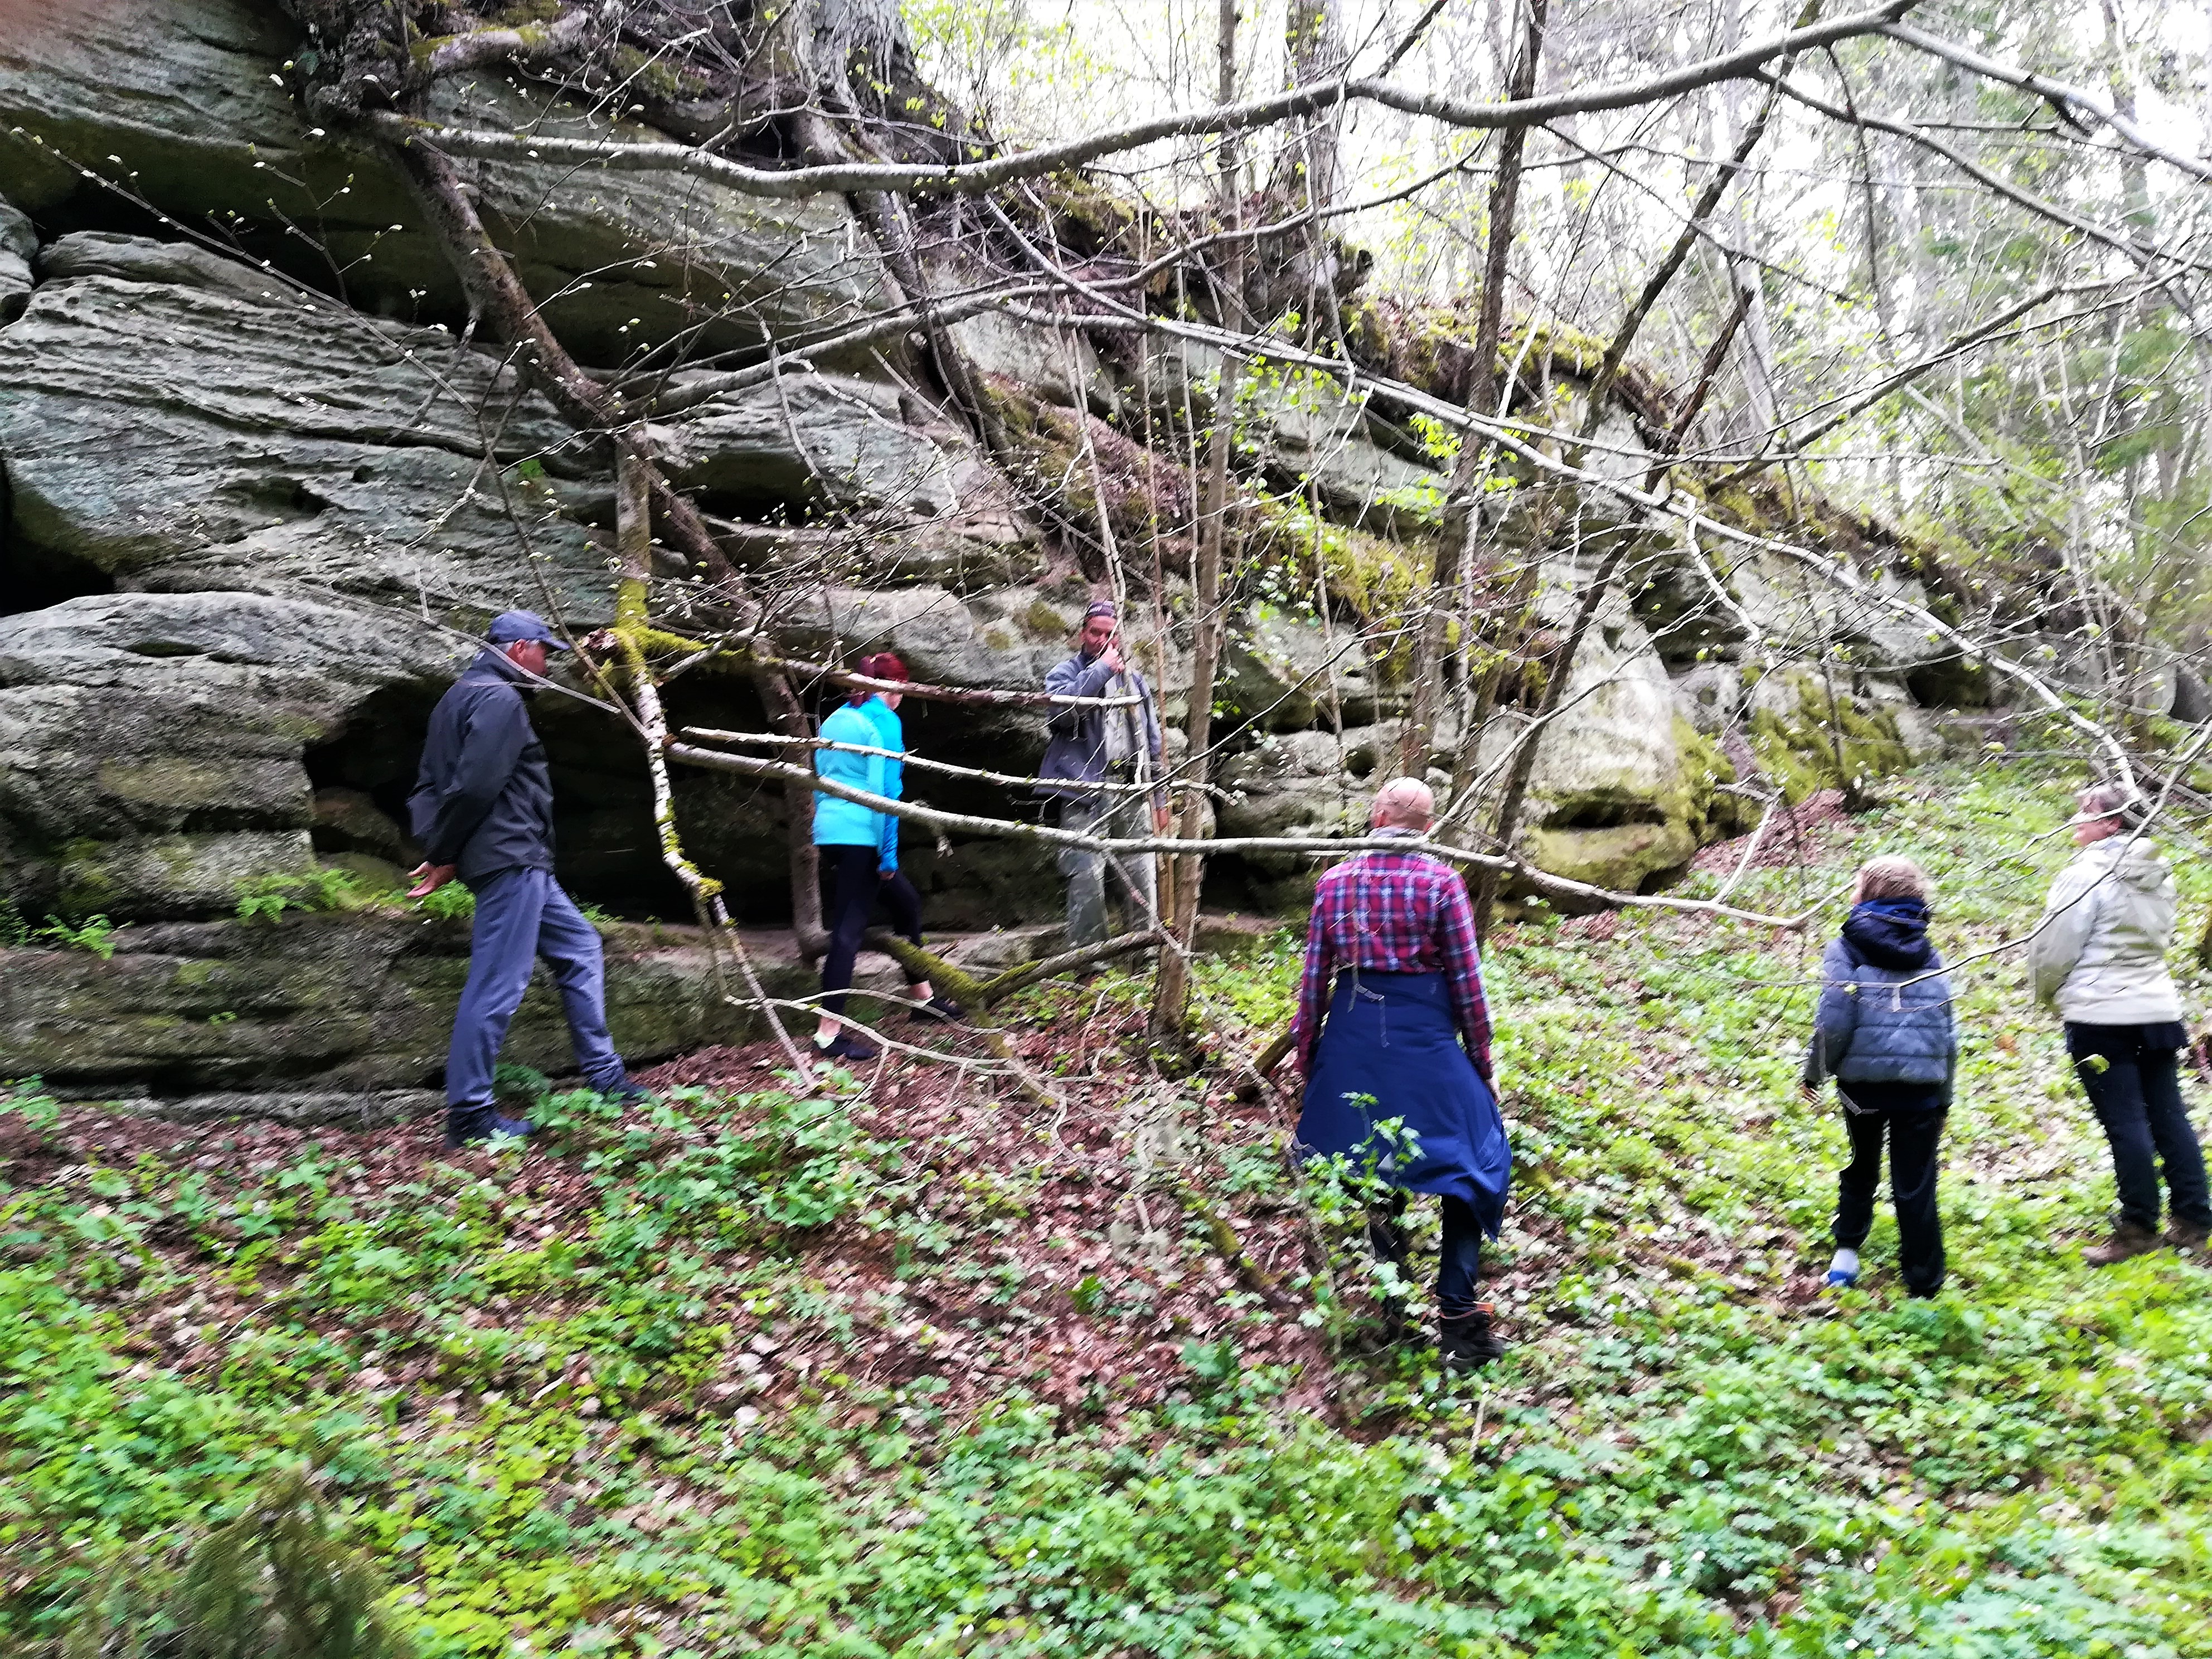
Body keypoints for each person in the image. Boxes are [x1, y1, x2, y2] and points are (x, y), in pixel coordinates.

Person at [1291, 777, 1512, 1370]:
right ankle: (1458, 1316)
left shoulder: (1334, 882)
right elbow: (1467, 983)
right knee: (1477, 1159)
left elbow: (1313, 982)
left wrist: (1307, 1058)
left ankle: (1394, 1308)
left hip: (1352, 1035)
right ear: (1427, 827)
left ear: (1377, 814)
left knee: (1373, 1162)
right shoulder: (1442, 882)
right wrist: (1482, 1063)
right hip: (1425, 1036)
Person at [407, 610, 636, 1148]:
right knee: (497, 985)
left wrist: (442, 846)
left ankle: (604, 1077)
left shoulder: (454, 699)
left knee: (580, 945)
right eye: (545, 652)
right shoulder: (500, 699)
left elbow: (425, 787)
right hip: (510, 858)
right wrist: (445, 855)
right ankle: (469, 1115)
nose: (549, 664)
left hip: (509, 857)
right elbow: (475, 787)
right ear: (517, 650)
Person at [2030, 781, 2211, 1265]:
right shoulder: (2159, 871)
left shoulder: (2085, 874)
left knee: (2125, 1121)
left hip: (2100, 1016)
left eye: (2085, 813)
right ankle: (2194, 1219)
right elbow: (2161, 938)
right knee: (2169, 1114)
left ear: (2113, 823)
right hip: (2156, 1011)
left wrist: (2046, 993)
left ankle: (2137, 1228)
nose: (2076, 821)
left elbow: (2055, 946)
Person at [1803, 856, 1957, 1297]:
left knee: (1861, 1164)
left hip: (1862, 1088)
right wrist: (1945, 1094)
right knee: (1916, 1184)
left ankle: (1846, 1256)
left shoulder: (1845, 949)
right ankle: (1924, 1286)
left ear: (1868, 894)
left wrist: (1815, 1071)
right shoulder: (1931, 952)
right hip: (1923, 1091)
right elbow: (1948, 1032)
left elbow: (1833, 1022)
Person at [811, 652, 961, 1062]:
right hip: (864, 835)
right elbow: (884, 796)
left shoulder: (835, 719)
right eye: (902, 686)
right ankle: (828, 1034)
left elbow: (821, 781)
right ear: (889, 687)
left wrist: (825, 830)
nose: (904, 694)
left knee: (907, 904)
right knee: (847, 931)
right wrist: (888, 856)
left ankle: (923, 999)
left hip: (831, 831)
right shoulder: (883, 723)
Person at [1039, 600, 1171, 947]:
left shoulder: (1135, 682)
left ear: (1119, 637)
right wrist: (1100, 672)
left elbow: (1152, 741)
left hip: (1130, 787)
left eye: (1109, 633)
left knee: (1141, 877)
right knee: (1086, 875)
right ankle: (1089, 961)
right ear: (1083, 634)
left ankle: (1143, 957)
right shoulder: (1064, 673)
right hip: (1083, 791)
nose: (1101, 639)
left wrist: (1160, 797)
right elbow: (1059, 715)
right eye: (1094, 632)